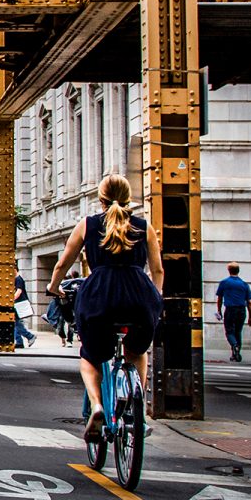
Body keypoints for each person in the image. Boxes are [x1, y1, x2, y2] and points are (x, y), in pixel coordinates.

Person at [46, 174, 164, 444]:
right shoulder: (144, 227)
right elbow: (157, 269)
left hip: (100, 295)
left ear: (100, 199)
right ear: (128, 196)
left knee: (90, 356)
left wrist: (54, 287)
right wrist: (154, 296)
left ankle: (97, 405)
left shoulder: (87, 225)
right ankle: (137, 408)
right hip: (138, 295)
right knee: (137, 351)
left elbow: (63, 263)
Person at [216, 262, 251, 362]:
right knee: (238, 331)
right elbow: (249, 302)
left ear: (229, 270)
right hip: (242, 310)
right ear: (238, 271)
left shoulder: (224, 283)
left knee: (229, 331)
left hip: (230, 310)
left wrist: (219, 311)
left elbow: (220, 298)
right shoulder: (244, 284)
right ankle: (236, 354)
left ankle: (234, 345)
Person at [13, 275, 38, 348]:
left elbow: (19, 291)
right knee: (16, 322)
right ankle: (19, 341)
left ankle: (30, 336)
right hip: (18, 304)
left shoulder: (18, 279)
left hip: (19, 304)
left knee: (16, 323)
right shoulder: (17, 279)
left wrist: (11, 299)